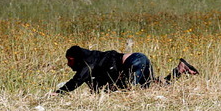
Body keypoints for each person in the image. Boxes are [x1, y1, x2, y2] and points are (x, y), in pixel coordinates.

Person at [55, 44, 199, 94]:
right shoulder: (94, 59)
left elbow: (77, 80)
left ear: (76, 58)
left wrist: (59, 93)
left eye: (70, 61)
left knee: (136, 91)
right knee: (152, 86)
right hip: (137, 60)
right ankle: (180, 69)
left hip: (134, 62)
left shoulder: (89, 63)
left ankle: (179, 70)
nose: (69, 64)